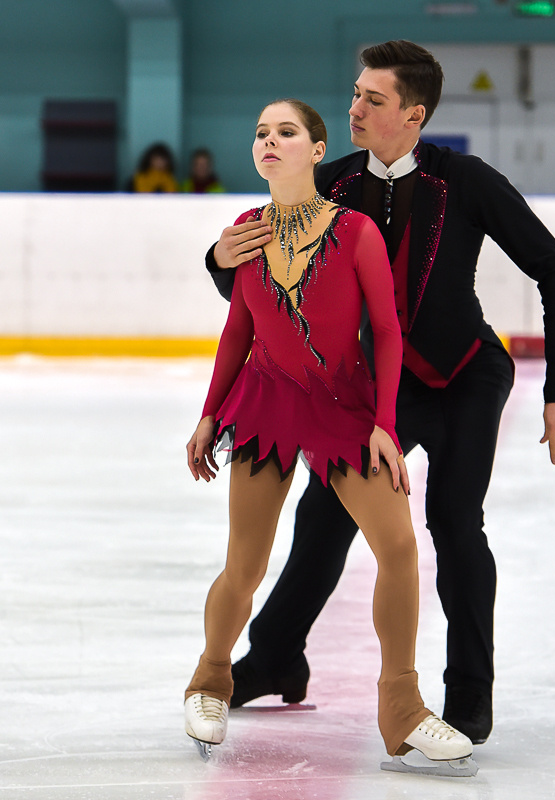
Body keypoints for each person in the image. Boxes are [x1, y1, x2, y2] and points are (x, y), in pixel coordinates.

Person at [204, 40, 555, 745]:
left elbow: (554, 269)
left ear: (412, 115)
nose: (354, 108)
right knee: (323, 516)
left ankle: (468, 690)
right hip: (383, 384)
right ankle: (275, 659)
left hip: (467, 375)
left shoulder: (465, 180)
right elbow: (263, 275)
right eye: (353, 94)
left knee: (454, 522)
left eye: (371, 100)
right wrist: (216, 261)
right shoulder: (338, 184)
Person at [184, 98, 477, 777]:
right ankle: (209, 680)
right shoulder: (245, 232)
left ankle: (402, 710)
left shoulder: (355, 233)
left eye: (286, 132)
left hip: (344, 405)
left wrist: (385, 424)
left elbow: (387, 331)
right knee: (246, 565)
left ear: (317, 150)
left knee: (399, 546)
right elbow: (239, 331)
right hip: (264, 406)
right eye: (260, 132)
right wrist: (209, 412)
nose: (269, 141)